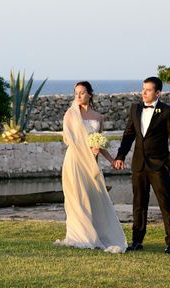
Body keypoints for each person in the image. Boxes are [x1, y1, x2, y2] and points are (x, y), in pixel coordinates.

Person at [55, 81, 127, 253]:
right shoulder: (70, 115)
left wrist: (111, 160)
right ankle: (81, 235)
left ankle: (98, 233)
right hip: (75, 160)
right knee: (78, 198)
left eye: (82, 93)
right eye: (76, 93)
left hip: (92, 162)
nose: (78, 96)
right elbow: (69, 140)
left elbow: (99, 143)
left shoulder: (98, 117)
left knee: (95, 196)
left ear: (90, 94)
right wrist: (88, 150)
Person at [113, 76, 170, 254]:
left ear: (158, 92)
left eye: (148, 90)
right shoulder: (135, 109)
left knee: (166, 204)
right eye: (142, 89)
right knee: (139, 203)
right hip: (138, 165)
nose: (143, 93)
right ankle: (137, 241)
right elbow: (128, 134)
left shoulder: (167, 111)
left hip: (159, 165)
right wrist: (120, 155)